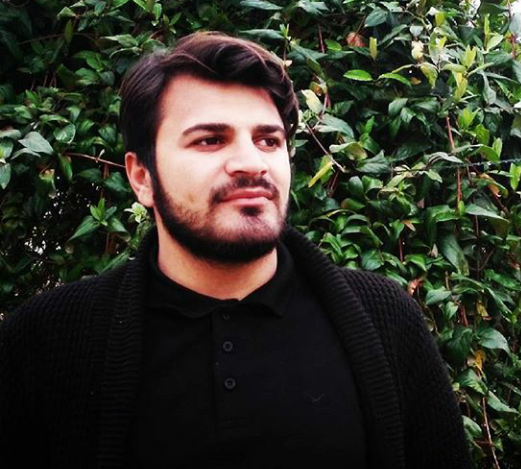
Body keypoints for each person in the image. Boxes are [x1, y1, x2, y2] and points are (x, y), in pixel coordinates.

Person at [0, 32, 472, 468]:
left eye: (269, 140)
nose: (251, 163)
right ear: (142, 177)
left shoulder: (385, 320)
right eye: (210, 140)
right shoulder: (49, 341)